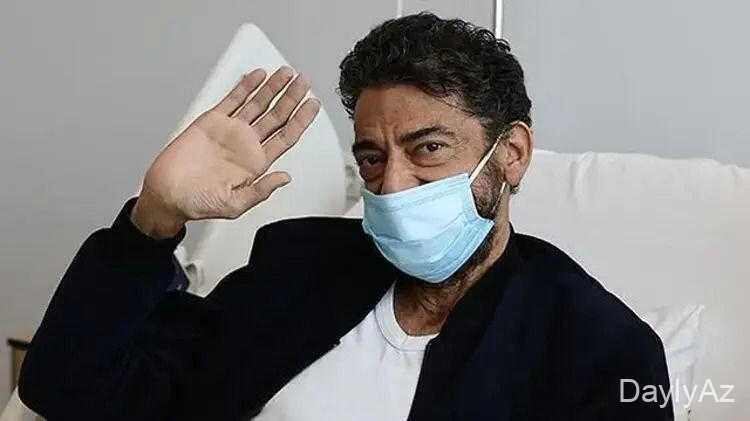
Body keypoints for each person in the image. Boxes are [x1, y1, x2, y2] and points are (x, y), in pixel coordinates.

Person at [18, 12, 673, 421]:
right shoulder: (296, 274)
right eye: (371, 158)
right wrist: (153, 218)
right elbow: (68, 387)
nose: (393, 185)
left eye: (428, 149)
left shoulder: (599, 351)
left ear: (512, 154)